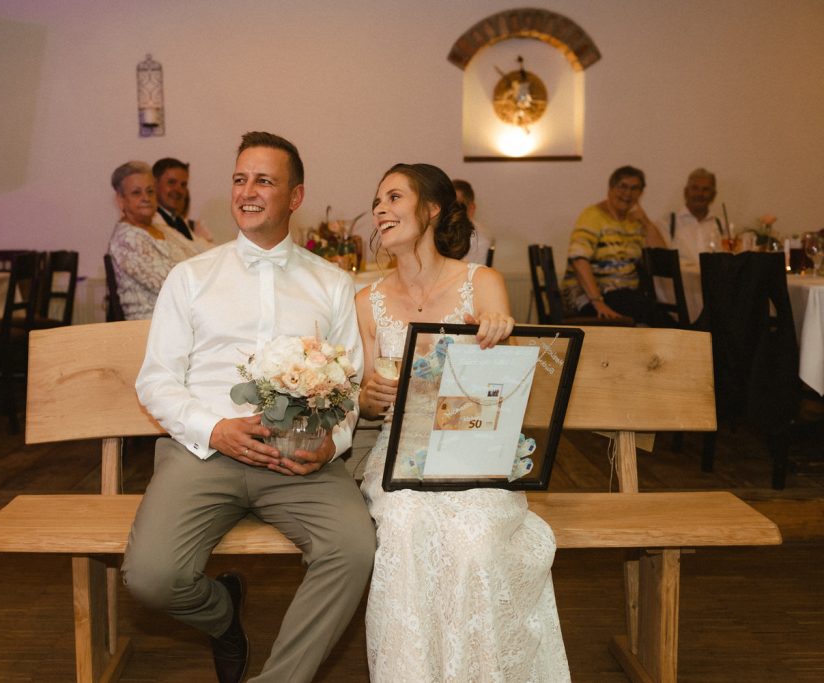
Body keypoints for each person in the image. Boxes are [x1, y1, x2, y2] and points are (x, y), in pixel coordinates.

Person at [123, 132, 376, 683]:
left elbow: (350, 385)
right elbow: (156, 380)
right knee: (151, 577)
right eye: (240, 179)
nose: (247, 191)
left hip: (298, 456)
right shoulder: (191, 277)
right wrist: (214, 428)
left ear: (295, 196)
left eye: (264, 180)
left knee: (354, 550)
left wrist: (330, 444)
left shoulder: (332, 284)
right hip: (204, 452)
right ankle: (222, 613)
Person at [356, 163, 570, 682]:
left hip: (474, 444)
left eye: (394, 197)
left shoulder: (483, 282)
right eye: (377, 201)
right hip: (400, 451)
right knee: (404, 530)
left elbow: (509, 387)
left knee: (476, 541)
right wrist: (369, 396)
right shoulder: (367, 302)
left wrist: (499, 334)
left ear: (431, 208)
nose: (380, 209)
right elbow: (365, 398)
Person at [560, 165, 667, 323]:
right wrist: (598, 302)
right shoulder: (593, 216)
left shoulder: (633, 222)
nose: (628, 193)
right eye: (622, 186)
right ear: (610, 188)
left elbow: (662, 259)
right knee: (653, 314)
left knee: (650, 309)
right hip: (588, 297)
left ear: (641, 193)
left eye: (634, 188)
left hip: (624, 296)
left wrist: (646, 222)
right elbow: (578, 260)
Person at [107, 161, 202, 320]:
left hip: (186, 315)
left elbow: (199, 254)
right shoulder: (127, 239)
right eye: (136, 193)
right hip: (153, 325)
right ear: (121, 200)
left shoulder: (161, 228)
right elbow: (171, 285)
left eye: (150, 191)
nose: (146, 198)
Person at [656, 168, 724, 267]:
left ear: (713, 195)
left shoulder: (722, 226)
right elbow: (663, 262)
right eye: (695, 188)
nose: (700, 194)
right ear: (686, 192)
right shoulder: (667, 224)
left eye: (705, 189)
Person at [152, 157, 215, 244]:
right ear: (154, 184)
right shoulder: (148, 224)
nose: (179, 190)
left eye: (183, 185)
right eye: (171, 182)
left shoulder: (193, 228)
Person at [452, 178, 495, 266]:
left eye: (457, 206)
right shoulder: (434, 234)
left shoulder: (480, 243)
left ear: (471, 208)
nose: (450, 211)